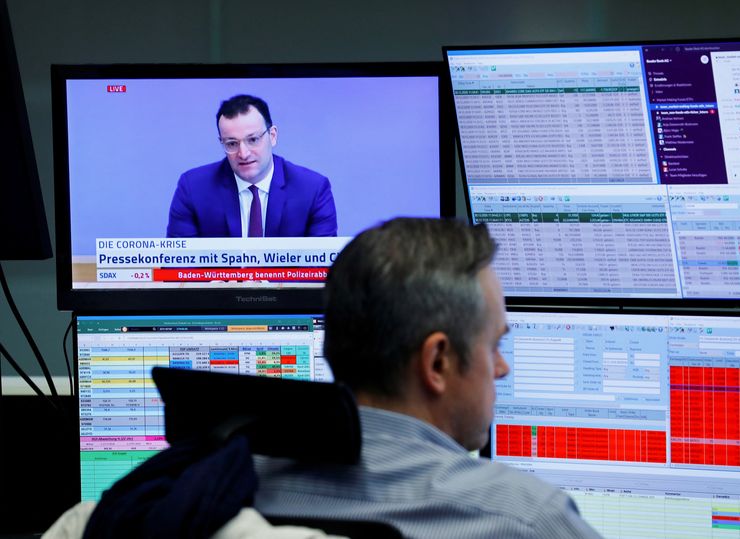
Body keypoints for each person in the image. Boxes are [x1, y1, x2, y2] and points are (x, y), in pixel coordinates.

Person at [254, 218, 602, 538]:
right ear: (437, 363)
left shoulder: (237, 487)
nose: (501, 368)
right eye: (494, 345)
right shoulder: (524, 517)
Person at [167, 94, 337, 238]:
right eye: (232, 144)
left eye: (253, 140)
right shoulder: (193, 187)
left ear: (272, 136)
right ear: (222, 143)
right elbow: (177, 264)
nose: (243, 153)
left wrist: (278, 280)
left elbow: (322, 268)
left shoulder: (312, 188)